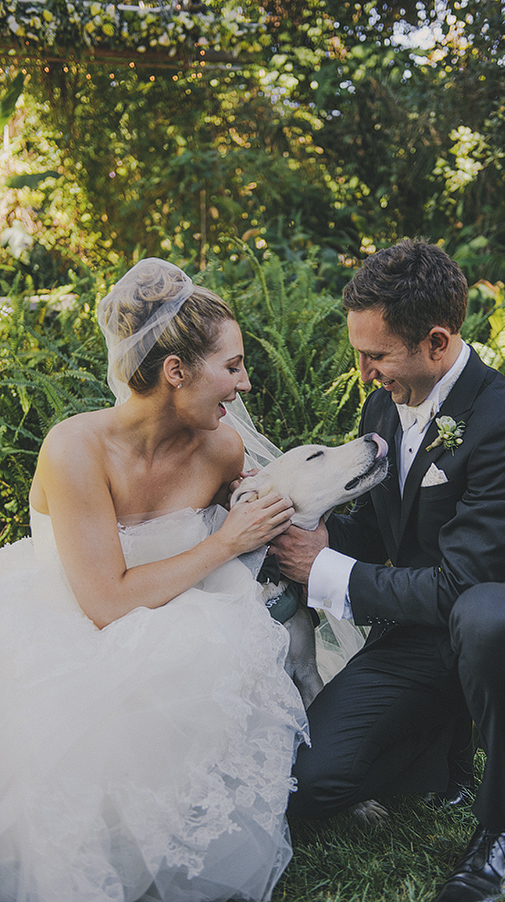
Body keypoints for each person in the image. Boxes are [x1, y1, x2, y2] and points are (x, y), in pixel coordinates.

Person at [271, 239, 505, 902]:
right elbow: (380, 528)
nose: (364, 372)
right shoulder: (385, 404)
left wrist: (324, 569)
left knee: (485, 617)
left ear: (438, 342)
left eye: (376, 356)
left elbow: (460, 582)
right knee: (309, 781)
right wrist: (299, 530)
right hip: (420, 631)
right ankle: (439, 742)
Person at [0, 258, 309, 902]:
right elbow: (105, 602)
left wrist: (285, 521)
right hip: (71, 621)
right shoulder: (75, 449)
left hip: (180, 612)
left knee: (212, 642)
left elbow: (275, 518)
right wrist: (228, 540)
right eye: (232, 366)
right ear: (175, 372)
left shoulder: (223, 448)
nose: (245, 384)